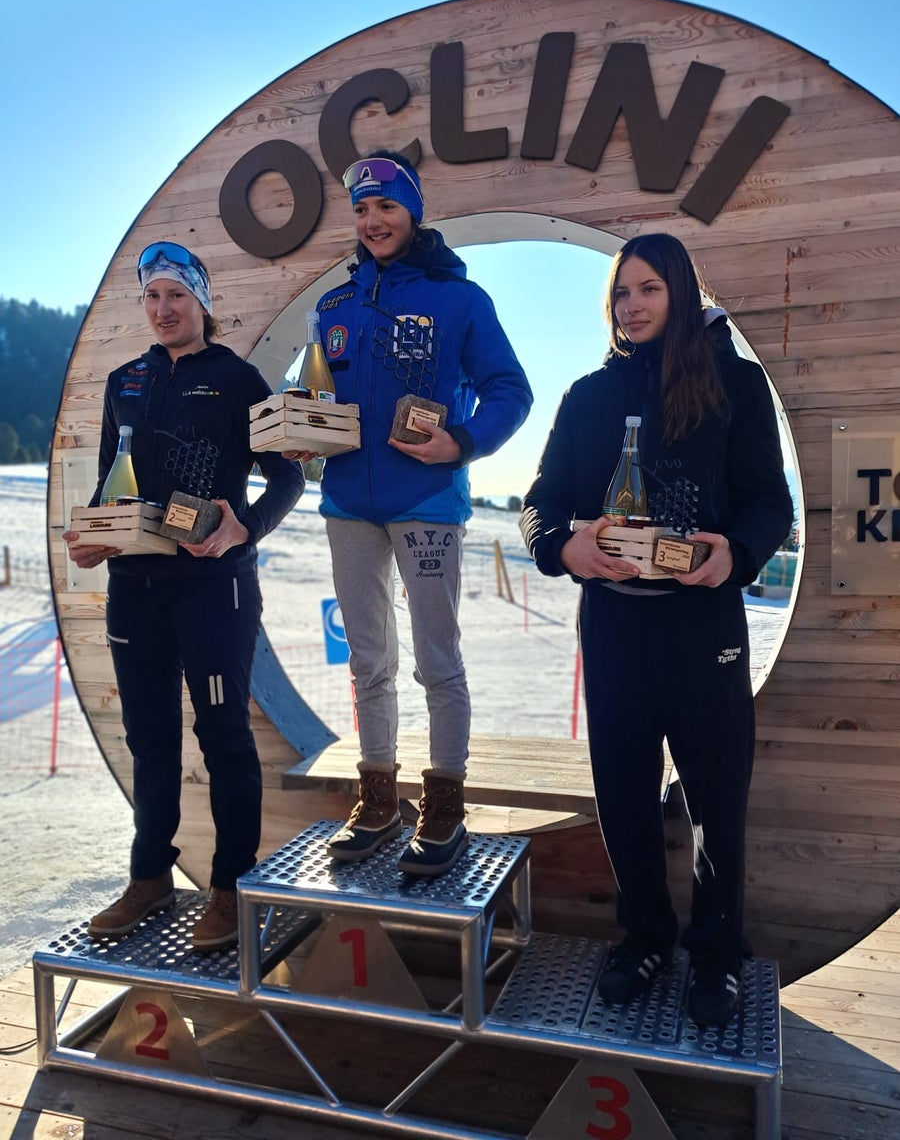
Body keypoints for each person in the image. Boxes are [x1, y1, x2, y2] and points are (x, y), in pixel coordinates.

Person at [520, 233, 793, 1028]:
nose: (631, 306)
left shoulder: (734, 383)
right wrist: (560, 546)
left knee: (716, 801)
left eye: (648, 289)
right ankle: (643, 937)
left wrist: (735, 553)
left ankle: (716, 952)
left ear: (680, 292)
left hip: (703, 626)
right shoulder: (587, 396)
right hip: (614, 627)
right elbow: (541, 500)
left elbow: (769, 501)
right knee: (624, 799)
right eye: (620, 293)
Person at [288, 150, 532, 876]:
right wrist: (301, 430)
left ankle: (445, 805)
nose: (373, 221)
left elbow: (510, 390)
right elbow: (314, 399)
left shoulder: (461, 300)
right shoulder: (333, 307)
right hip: (346, 505)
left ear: (414, 212)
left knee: (437, 660)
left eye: (387, 206)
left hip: (426, 501)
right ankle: (377, 801)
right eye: (361, 210)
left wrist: (463, 442)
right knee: (368, 660)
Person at [63, 241, 305, 951]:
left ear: (202, 302)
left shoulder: (238, 380)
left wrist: (244, 526)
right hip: (135, 589)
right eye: (152, 296)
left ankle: (231, 887)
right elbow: (112, 481)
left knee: (223, 735)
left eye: (176, 295)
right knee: (148, 737)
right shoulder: (125, 381)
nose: (163, 309)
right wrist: (97, 535)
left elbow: (287, 477)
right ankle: (149, 877)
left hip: (213, 588)